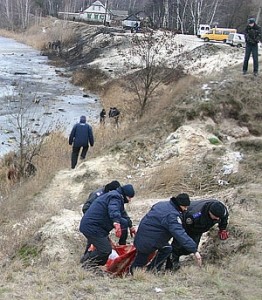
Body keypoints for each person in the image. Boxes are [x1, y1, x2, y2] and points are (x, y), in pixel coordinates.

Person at [130, 194, 202, 274]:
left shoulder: (162, 204)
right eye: (184, 207)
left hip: (145, 235)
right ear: (179, 204)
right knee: (139, 263)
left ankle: (152, 270)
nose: (186, 209)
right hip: (148, 241)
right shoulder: (172, 216)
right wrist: (194, 250)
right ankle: (134, 275)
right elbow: (180, 234)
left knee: (167, 249)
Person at [79, 184, 136, 267]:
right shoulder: (115, 197)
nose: (130, 200)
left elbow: (123, 214)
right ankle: (87, 265)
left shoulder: (116, 196)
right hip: (92, 227)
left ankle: (88, 263)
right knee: (105, 250)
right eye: (129, 197)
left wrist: (131, 227)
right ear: (125, 195)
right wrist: (116, 223)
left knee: (102, 248)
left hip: (96, 227)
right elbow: (113, 209)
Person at [166, 199, 229, 271]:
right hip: (186, 224)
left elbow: (224, 218)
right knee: (179, 246)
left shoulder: (222, 210)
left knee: (191, 248)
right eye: (215, 217)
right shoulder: (194, 215)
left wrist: (222, 229)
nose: (217, 219)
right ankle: (171, 266)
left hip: (199, 229)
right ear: (209, 212)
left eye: (219, 217)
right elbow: (184, 227)